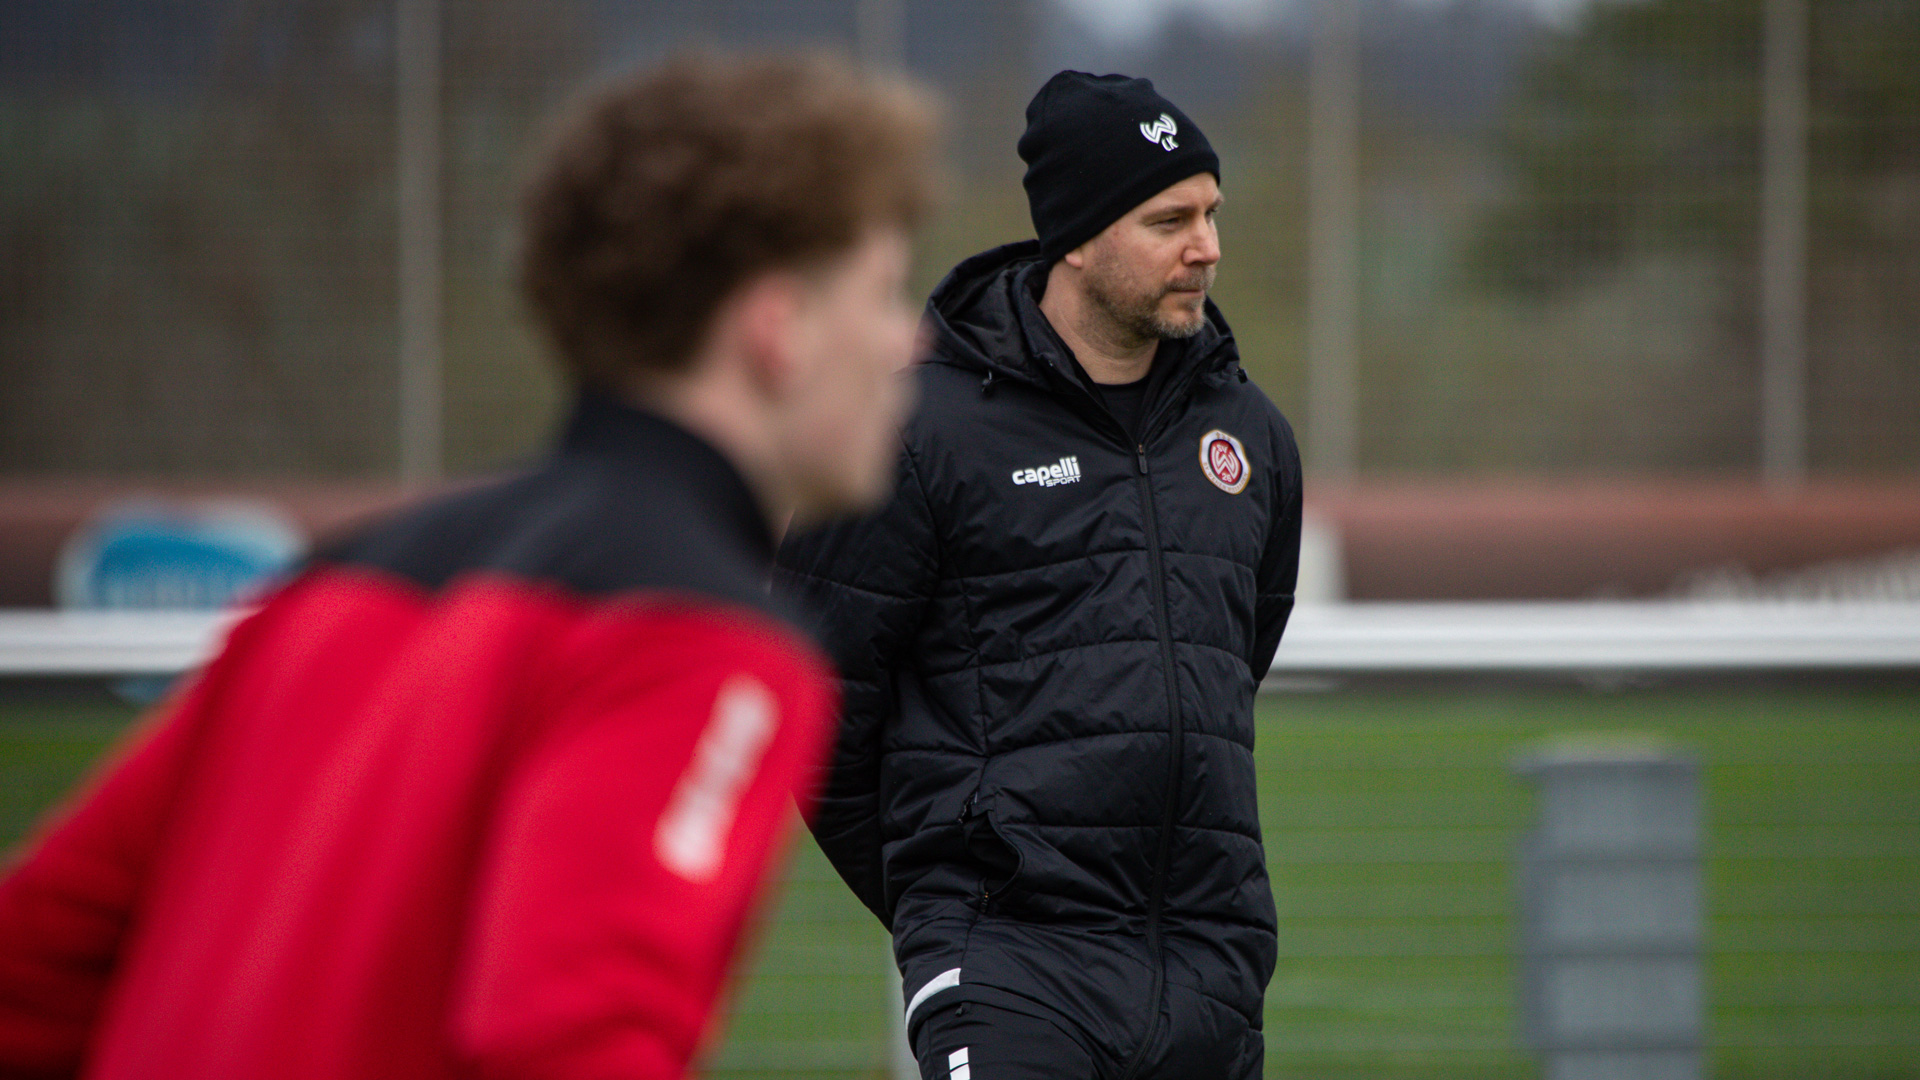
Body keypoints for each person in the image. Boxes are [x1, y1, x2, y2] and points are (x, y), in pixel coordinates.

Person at [0, 53, 935, 1080]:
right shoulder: (704, 639)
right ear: (778, 328)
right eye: (884, 291)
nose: (907, 337)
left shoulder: (326, 587)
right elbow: (569, 1043)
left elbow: (32, 965)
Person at [776, 71, 1302, 1080]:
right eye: (1169, 221)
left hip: (1211, 969)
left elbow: (1234, 660)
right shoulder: (914, 433)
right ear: (1078, 236)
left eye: (1211, 214)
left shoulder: (1250, 436)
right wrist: (951, 900)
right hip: (1011, 968)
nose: (1207, 246)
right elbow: (814, 699)